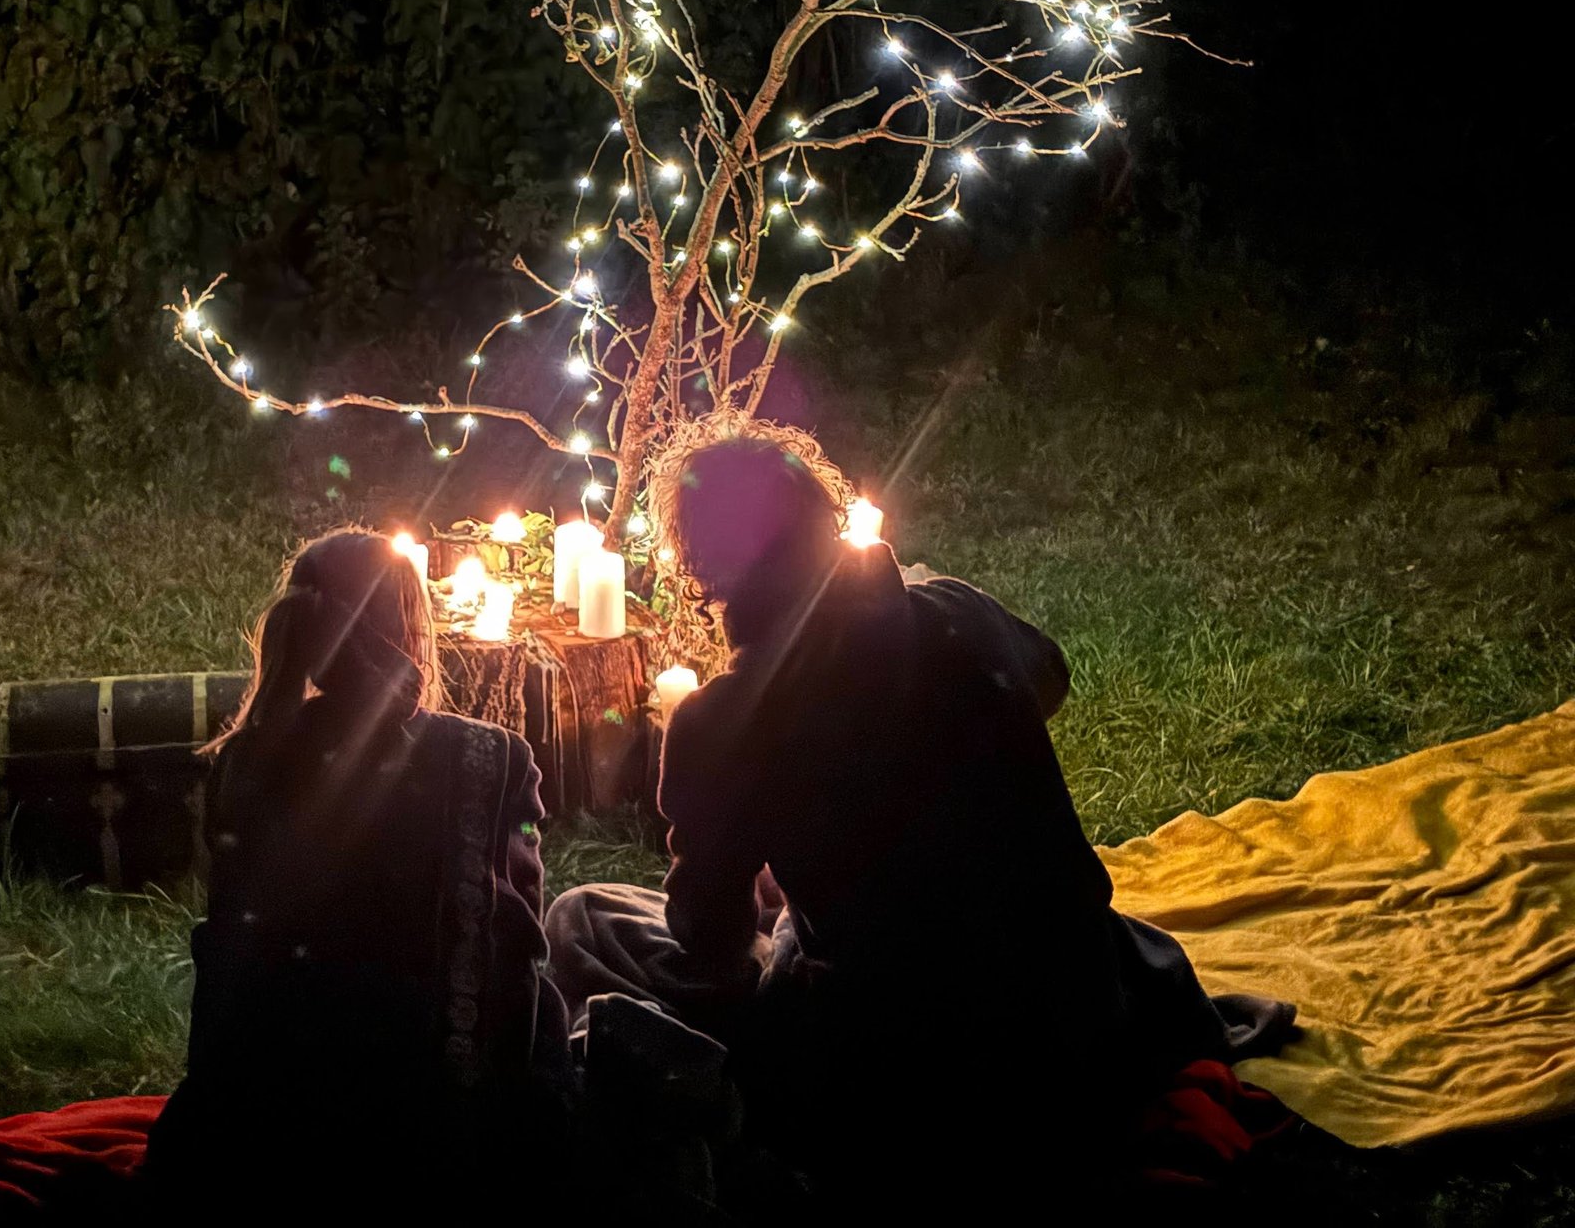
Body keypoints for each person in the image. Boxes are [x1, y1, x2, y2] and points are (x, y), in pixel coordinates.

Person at [546, 439, 1294, 1210]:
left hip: (908, 1078)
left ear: (706, 570)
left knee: (583, 917)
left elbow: (706, 934)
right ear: (825, 521)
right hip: (1088, 1015)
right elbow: (1050, 675)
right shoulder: (956, 612)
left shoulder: (722, 721)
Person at [146, 530, 570, 1215]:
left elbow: (227, 948)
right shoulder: (492, 759)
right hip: (436, 1143)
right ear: (410, 627)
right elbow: (518, 950)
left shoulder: (244, 762)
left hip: (262, 1137)